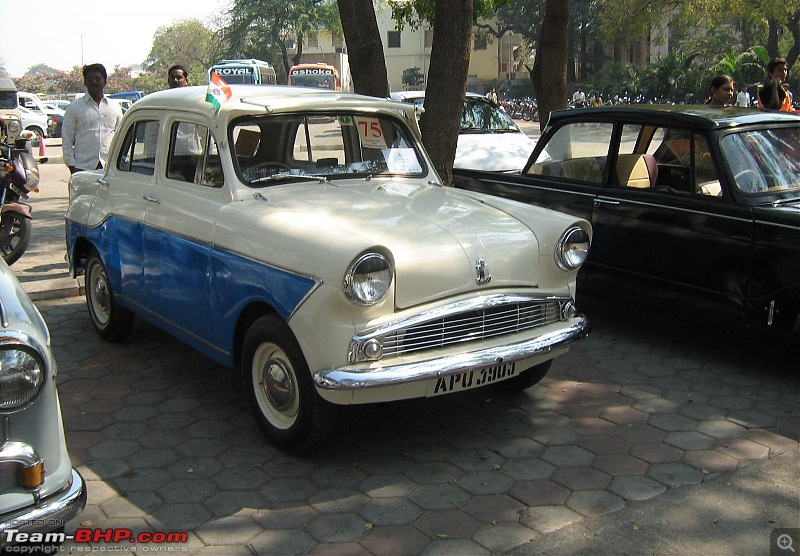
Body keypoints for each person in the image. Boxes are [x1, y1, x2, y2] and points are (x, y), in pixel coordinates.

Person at [62, 63, 123, 174]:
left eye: (98, 79)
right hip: (83, 167)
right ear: (85, 83)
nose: (94, 82)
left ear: (105, 81)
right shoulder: (74, 107)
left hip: (109, 167)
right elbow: (67, 139)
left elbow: (121, 136)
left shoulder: (115, 107)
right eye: (90, 79)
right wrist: (72, 166)